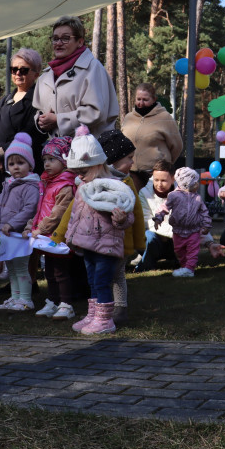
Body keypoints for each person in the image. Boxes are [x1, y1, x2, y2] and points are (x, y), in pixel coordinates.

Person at [66, 126, 135, 335]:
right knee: (92, 281)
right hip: (88, 244)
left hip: (105, 246)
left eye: (83, 172)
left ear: (97, 164)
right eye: (77, 173)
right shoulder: (83, 187)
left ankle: (105, 320)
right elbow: (75, 215)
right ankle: (94, 315)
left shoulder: (113, 186)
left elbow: (127, 214)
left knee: (102, 281)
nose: (80, 177)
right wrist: (71, 237)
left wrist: (122, 219)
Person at [0, 132, 41, 311]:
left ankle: (26, 299)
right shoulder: (8, 185)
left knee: (21, 268)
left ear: (30, 165)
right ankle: (15, 298)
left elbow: (29, 209)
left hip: (18, 236)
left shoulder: (31, 187)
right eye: (12, 163)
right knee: (12, 269)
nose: (15, 167)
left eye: (20, 163)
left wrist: (12, 224)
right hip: (6, 235)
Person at [33, 16, 119, 138]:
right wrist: (40, 120)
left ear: (80, 42)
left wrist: (58, 119)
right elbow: (38, 110)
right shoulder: (46, 76)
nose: (58, 43)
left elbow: (95, 112)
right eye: (55, 38)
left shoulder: (93, 69)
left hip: (90, 151)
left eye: (65, 38)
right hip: (57, 153)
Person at [26, 137, 77, 320]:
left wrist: (41, 228)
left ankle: (66, 304)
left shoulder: (64, 184)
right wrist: (31, 226)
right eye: (45, 160)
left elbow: (58, 213)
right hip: (45, 237)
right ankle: (53, 301)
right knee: (49, 271)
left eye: (52, 159)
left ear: (64, 161)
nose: (47, 164)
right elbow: (40, 208)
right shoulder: (48, 182)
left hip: (58, 236)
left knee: (60, 271)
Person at [98, 128, 145, 324]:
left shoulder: (127, 181)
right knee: (105, 276)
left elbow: (137, 212)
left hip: (120, 242)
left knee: (115, 275)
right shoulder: (98, 181)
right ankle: (108, 308)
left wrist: (139, 242)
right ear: (113, 159)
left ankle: (117, 310)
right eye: (128, 158)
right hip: (99, 239)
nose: (132, 162)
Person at [0, 48, 43, 206]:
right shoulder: (4, 100)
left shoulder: (39, 101)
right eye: (14, 69)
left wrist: (3, 152)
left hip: (22, 169)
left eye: (23, 70)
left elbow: (30, 134)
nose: (18, 73)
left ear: (36, 74)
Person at [120, 82, 183, 191]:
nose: (141, 103)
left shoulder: (164, 117)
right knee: (135, 205)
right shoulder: (128, 118)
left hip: (156, 175)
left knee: (156, 207)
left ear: (154, 99)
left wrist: (165, 165)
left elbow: (177, 146)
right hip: (132, 173)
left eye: (145, 100)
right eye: (138, 99)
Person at [152, 167, 211, 278]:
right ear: (186, 184)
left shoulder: (197, 198)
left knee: (193, 251)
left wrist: (206, 224)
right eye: (195, 183)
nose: (197, 185)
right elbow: (164, 207)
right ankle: (185, 266)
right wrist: (158, 218)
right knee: (179, 250)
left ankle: (190, 268)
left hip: (194, 230)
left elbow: (204, 212)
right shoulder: (174, 196)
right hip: (178, 231)